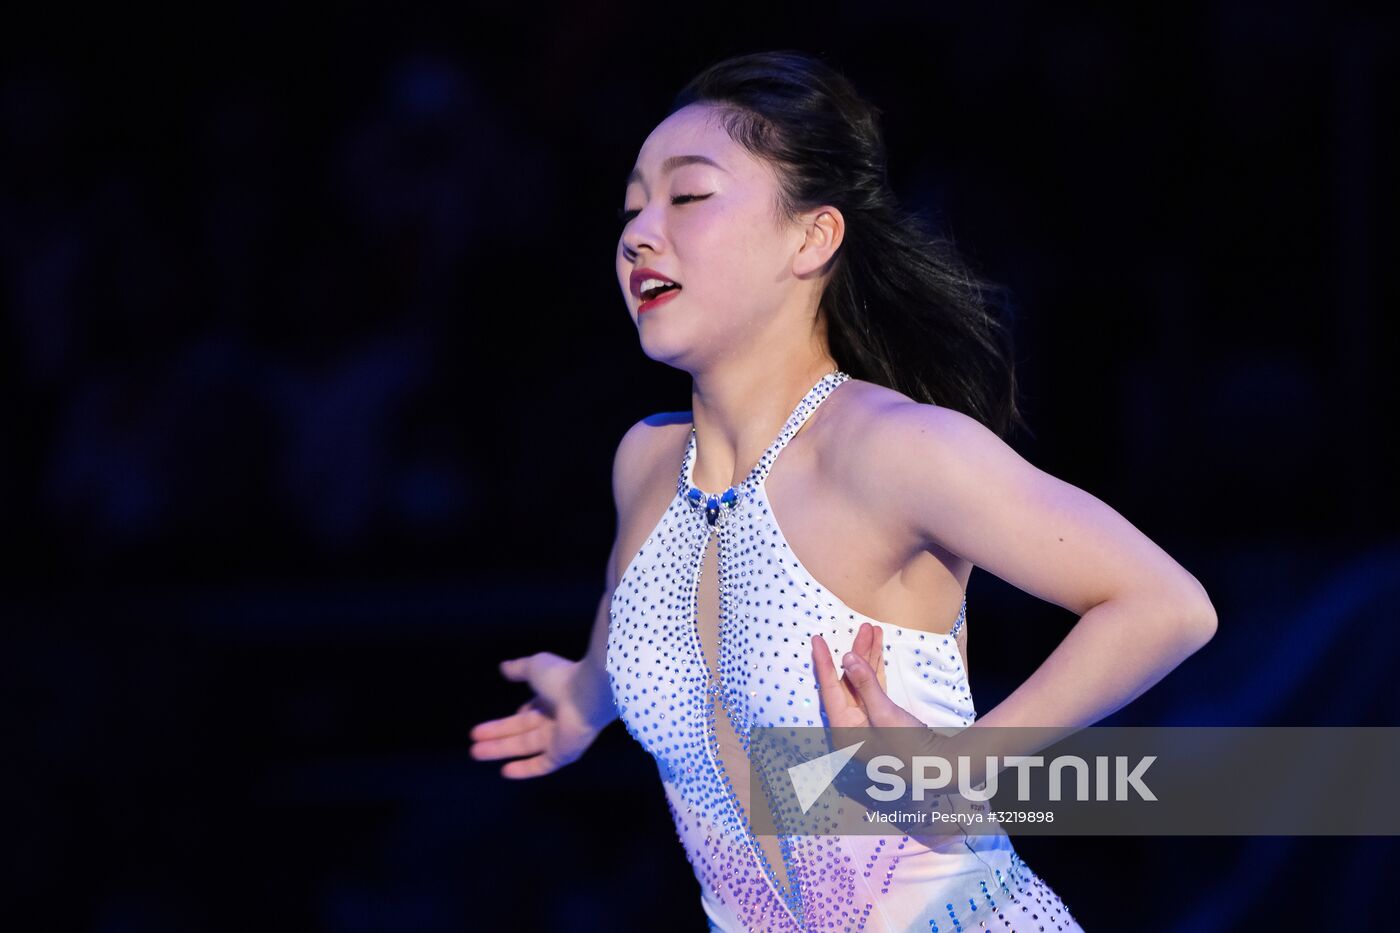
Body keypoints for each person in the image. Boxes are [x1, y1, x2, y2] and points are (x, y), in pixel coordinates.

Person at [469, 49, 1217, 932]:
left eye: (689, 196)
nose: (639, 232)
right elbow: (641, 622)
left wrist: (964, 774)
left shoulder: (889, 450)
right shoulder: (645, 462)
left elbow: (1167, 605)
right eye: (632, 206)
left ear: (812, 237)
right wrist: (584, 700)